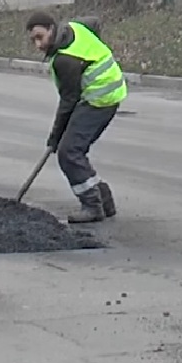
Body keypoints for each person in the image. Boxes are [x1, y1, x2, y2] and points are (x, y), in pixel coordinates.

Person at [25, 11, 127, 223]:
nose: (37, 45)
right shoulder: (74, 26)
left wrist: (55, 138)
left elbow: (68, 103)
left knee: (68, 153)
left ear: (52, 30)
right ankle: (103, 197)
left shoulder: (65, 60)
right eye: (33, 39)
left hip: (99, 98)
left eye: (40, 37)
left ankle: (92, 206)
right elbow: (95, 21)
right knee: (75, 150)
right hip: (111, 91)